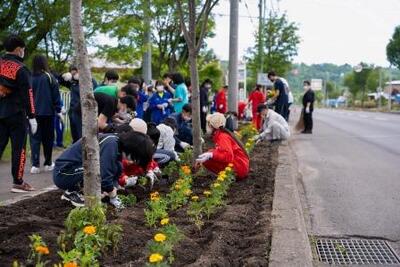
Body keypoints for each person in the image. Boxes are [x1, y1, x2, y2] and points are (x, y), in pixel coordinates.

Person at [53, 131, 154, 207]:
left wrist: (114, 186)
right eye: (135, 158)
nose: (133, 161)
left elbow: (115, 170)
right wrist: (113, 197)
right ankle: (73, 192)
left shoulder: (116, 142)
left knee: (117, 166)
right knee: (96, 169)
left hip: (75, 169)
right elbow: (105, 175)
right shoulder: (111, 143)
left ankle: (78, 189)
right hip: (64, 172)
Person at [0, 34, 37, 192]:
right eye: (23, 49)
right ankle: (18, 181)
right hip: (16, 114)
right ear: (17, 50)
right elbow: (27, 94)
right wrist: (32, 116)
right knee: (18, 148)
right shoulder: (21, 69)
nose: (24, 52)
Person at [29, 55, 62, 174]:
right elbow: (55, 95)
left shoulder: (29, 77)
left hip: (33, 114)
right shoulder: (49, 76)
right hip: (48, 113)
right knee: (48, 138)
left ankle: (35, 165)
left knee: (34, 139)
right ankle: (48, 163)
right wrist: (58, 109)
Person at [196, 113, 249, 180]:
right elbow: (221, 151)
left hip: (239, 168)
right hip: (240, 166)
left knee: (208, 160)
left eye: (208, 124)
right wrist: (210, 153)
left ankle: (229, 176)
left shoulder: (222, 137)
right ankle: (227, 175)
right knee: (209, 155)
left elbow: (228, 156)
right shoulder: (221, 134)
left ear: (212, 125)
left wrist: (211, 155)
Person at [59, 66, 98, 143]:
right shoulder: (73, 82)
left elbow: (94, 89)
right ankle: (75, 146)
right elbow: (60, 81)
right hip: (72, 110)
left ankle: (82, 148)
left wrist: (82, 79)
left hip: (82, 111)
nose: (74, 75)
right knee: (74, 133)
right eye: (72, 73)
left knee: (81, 133)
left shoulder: (89, 81)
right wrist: (63, 75)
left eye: (75, 73)